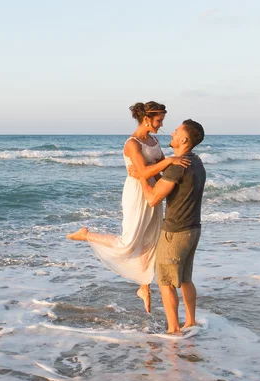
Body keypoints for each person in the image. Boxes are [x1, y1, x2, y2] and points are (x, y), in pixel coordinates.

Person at [67, 102, 190, 313]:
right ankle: (87, 234)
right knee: (129, 241)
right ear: (146, 120)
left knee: (150, 240)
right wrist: (169, 161)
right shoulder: (132, 144)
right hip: (136, 194)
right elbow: (143, 172)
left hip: (154, 193)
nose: (161, 125)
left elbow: (159, 171)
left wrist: (172, 181)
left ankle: (144, 287)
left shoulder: (153, 140)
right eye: (159, 120)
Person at [129, 119, 206, 334]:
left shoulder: (178, 165)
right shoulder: (196, 161)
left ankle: (173, 330)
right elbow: (173, 185)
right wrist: (155, 173)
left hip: (175, 232)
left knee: (166, 282)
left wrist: (142, 177)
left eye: (176, 131)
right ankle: (190, 322)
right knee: (185, 279)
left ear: (184, 139)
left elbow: (153, 198)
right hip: (193, 228)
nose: (171, 132)